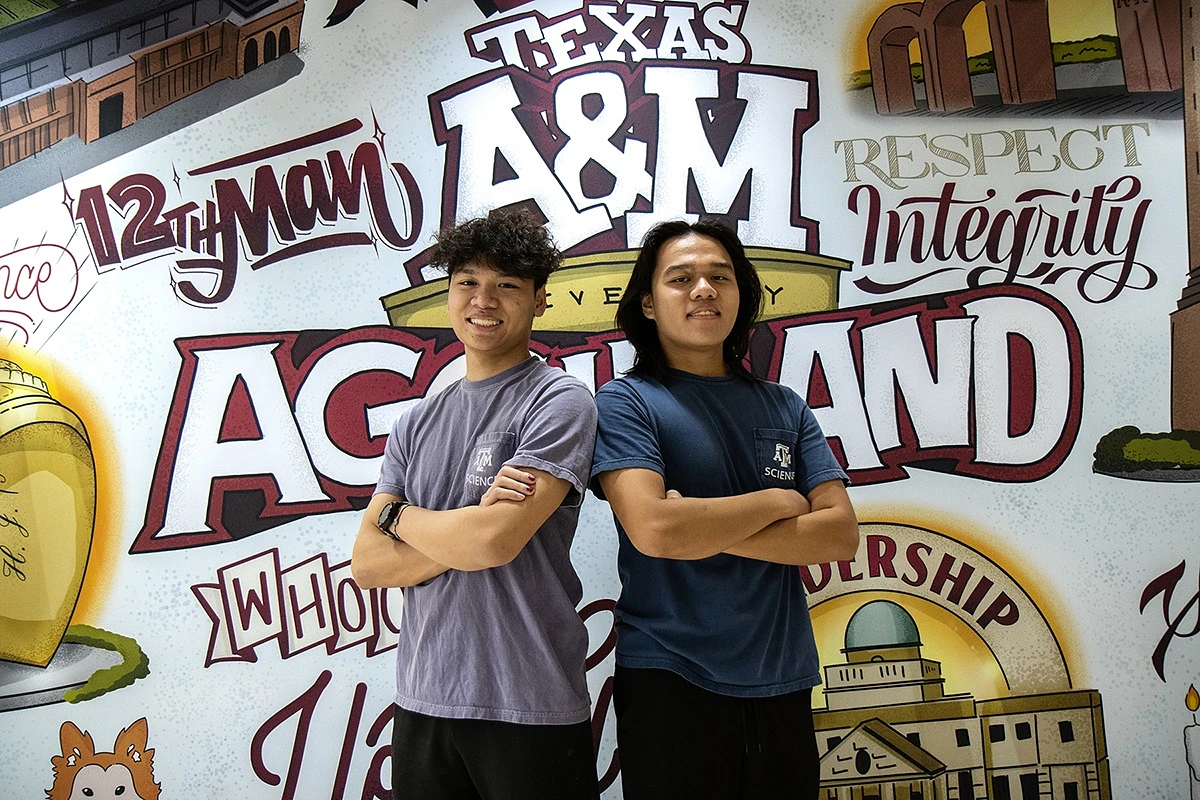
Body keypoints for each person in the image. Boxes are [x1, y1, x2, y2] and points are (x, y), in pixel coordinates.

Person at [590, 219, 860, 800]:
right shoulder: (625, 402)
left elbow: (838, 536)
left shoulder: (784, 405)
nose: (704, 290)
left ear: (741, 294)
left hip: (781, 679)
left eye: (720, 276)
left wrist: (699, 527)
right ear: (649, 303)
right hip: (670, 677)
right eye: (681, 278)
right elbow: (655, 530)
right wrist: (777, 503)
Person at [351, 209, 600, 800]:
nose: (483, 300)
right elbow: (368, 564)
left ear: (540, 299)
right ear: (447, 293)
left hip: (530, 700)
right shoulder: (416, 422)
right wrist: (463, 531)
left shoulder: (558, 401)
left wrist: (397, 518)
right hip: (423, 698)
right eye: (467, 282)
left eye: (507, 285)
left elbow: (493, 542)